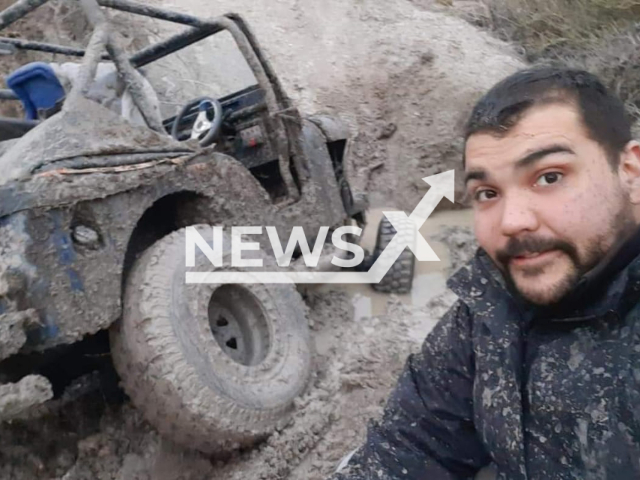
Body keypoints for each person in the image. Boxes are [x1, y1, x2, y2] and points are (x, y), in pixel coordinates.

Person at [330, 66, 640, 479]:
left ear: (631, 173)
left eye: (549, 177)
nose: (512, 221)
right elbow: (414, 444)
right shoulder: (489, 311)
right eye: (488, 193)